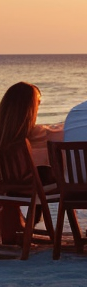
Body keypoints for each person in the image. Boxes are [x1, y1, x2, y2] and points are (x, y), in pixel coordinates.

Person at [0, 82, 55, 243]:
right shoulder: (40, 133)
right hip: (28, 188)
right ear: (31, 108)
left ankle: (14, 228)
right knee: (53, 173)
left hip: (5, 188)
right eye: (38, 102)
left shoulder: (4, 134)